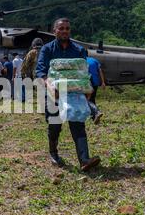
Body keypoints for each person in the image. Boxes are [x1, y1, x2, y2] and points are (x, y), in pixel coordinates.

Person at [36, 18, 101, 171]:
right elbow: (40, 71)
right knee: (55, 125)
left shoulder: (78, 50)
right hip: (54, 93)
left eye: (67, 28)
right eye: (61, 28)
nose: (64, 31)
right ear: (54, 31)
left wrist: (87, 89)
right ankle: (53, 153)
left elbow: (84, 73)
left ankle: (84, 160)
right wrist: (50, 85)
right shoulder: (47, 49)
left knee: (78, 123)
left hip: (75, 94)